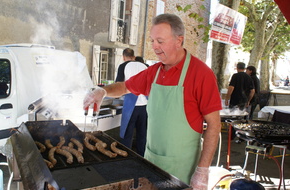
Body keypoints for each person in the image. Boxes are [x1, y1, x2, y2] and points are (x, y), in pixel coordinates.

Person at [84, 13, 222, 189]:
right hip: (152, 163)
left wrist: (203, 170)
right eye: (152, 41)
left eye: (160, 41)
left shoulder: (201, 74)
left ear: (179, 41)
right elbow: (125, 87)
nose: (154, 47)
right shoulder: (154, 72)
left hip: (183, 169)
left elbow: (214, 125)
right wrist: (102, 91)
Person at [115, 48, 148, 157]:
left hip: (131, 106)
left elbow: (118, 86)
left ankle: (126, 159)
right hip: (146, 106)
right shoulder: (145, 66)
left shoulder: (123, 66)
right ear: (133, 57)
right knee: (142, 135)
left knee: (127, 135)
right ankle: (142, 159)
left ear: (124, 57)